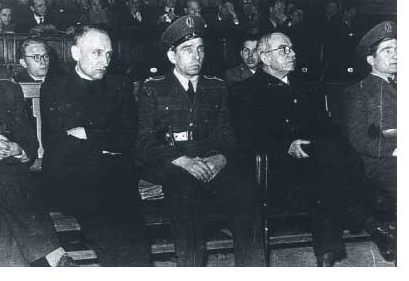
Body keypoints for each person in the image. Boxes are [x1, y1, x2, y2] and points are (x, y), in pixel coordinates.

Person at [136, 15, 265, 267]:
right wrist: (181, 160)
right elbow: (143, 143)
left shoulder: (216, 87)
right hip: (172, 166)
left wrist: (221, 157)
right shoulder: (152, 89)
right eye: (187, 50)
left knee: (247, 190)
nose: (196, 56)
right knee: (185, 191)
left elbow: (227, 135)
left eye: (200, 49)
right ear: (172, 56)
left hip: (211, 163)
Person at [0, 8, 77, 267]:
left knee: (7, 211)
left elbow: (29, 141)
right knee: (11, 182)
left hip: (8, 186)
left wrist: (16, 149)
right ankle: (55, 256)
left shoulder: (8, 89)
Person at [230, 32, 354, 266]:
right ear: (265, 58)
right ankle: (362, 228)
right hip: (276, 169)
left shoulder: (307, 87)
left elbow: (328, 127)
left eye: (292, 48)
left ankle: (327, 254)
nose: (293, 53)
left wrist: (313, 144)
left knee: (334, 155)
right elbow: (248, 137)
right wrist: (286, 146)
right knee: (332, 172)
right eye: (284, 49)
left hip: (316, 159)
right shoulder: (245, 91)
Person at [40, 25, 150, 267]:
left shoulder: (119, 85)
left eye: (108, 54)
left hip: (114, 176)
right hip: (71, 178)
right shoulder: (56, 86)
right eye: (97, 53)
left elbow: (126, 138)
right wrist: (105, 144)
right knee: (109, 225)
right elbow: (56, 143)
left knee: (132, 231)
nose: (105, 61)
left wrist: (86, 133)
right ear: (76, 53)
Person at [342, 21, 397, 262]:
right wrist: (396, 149)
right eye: (387, 51)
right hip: (379, 164)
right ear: (371, 60)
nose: (396, 56)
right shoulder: (359, 91)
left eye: (399, 49)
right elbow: (359, 139)